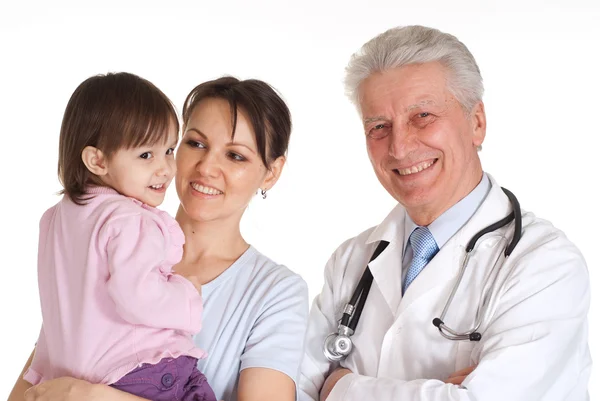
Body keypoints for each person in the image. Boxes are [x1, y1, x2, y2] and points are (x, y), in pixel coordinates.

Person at [299, 25, 591, 401]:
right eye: (379, 126)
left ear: (477, 123)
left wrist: (340, 387)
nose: (400, 147)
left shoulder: (545, 264)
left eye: (422, 115)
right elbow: (286, 390)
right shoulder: (351, 262)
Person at [9, 76, 308, 401]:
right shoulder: (102, 241)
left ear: (271, 172)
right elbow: (31, 393)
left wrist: (93, 396)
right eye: (195, 143)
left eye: (235, 156)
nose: (207, 167)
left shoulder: (275, 293)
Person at [22, 71, 216, 401]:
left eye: (169, 150)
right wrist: (187, 296)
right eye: (146, 155)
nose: (165, 169)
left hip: (68, 373)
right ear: (96, 159)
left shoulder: (54, 220)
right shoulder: (129, 220)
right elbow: (139, 296)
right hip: (140, 374)